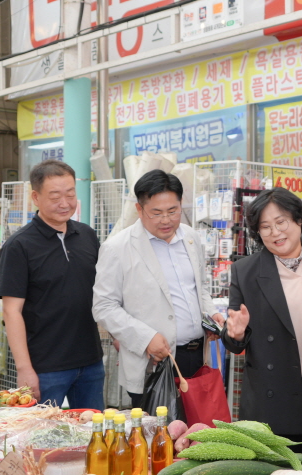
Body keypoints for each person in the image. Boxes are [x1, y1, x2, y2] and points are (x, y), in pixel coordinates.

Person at [220, 187, 302, 473]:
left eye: (281, 222)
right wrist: (236, 333)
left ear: (298, 221)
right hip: (274, 393)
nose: (275, 232)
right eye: (265, 227)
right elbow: (233, 341)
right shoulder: (246, 270)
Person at [92, 170, 225, 409]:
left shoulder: (191, 238)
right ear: (139, 209)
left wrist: (210, 315)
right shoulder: (117, 248)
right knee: (155, 439)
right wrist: (145, 339)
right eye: (156, 213)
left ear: (181, 204)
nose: (166, 220)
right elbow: (103, 307)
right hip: (153, 363)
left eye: (173, 211)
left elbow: (199, 288)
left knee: (196, 438)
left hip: (196, 356)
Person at [0, 160, 104, 409]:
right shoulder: (19, 246)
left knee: (93, 439)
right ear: (35, 197)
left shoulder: (87, 235)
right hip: (45, 368)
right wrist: (24, 369)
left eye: (70, 194)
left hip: (91, 363)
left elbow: (103, 292)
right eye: (55, 196)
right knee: (40, 443)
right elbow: (11, 311)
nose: (64, 203)